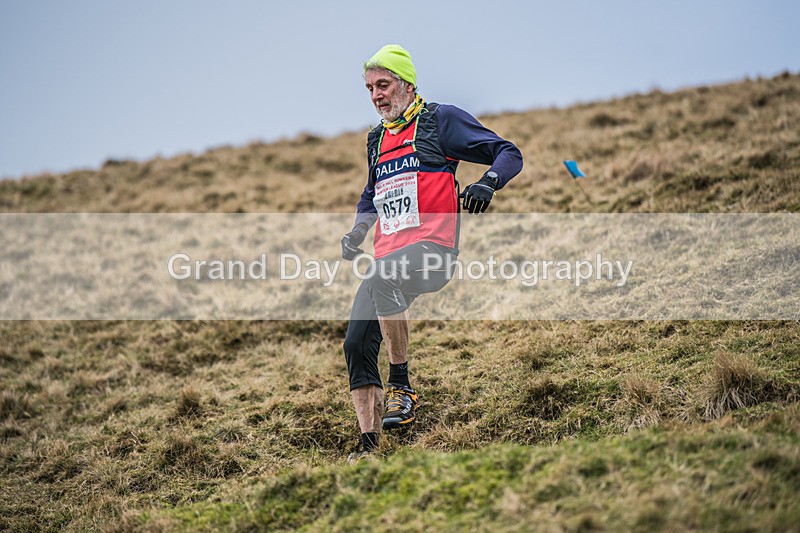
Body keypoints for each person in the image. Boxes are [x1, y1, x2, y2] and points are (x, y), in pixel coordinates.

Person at [341, 44, 523, 461]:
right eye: (369, 88)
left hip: (433, 252)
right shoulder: (377, 138)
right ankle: (369, 449)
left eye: (383, 84)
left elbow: (508, 152)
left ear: (406, 83)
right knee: (355, 344)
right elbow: (372, 195)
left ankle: (401, 386)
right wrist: (357, 231)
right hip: (388, 258)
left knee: (382, 274)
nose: (375, 95)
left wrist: (488, 182)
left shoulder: (439, 120)